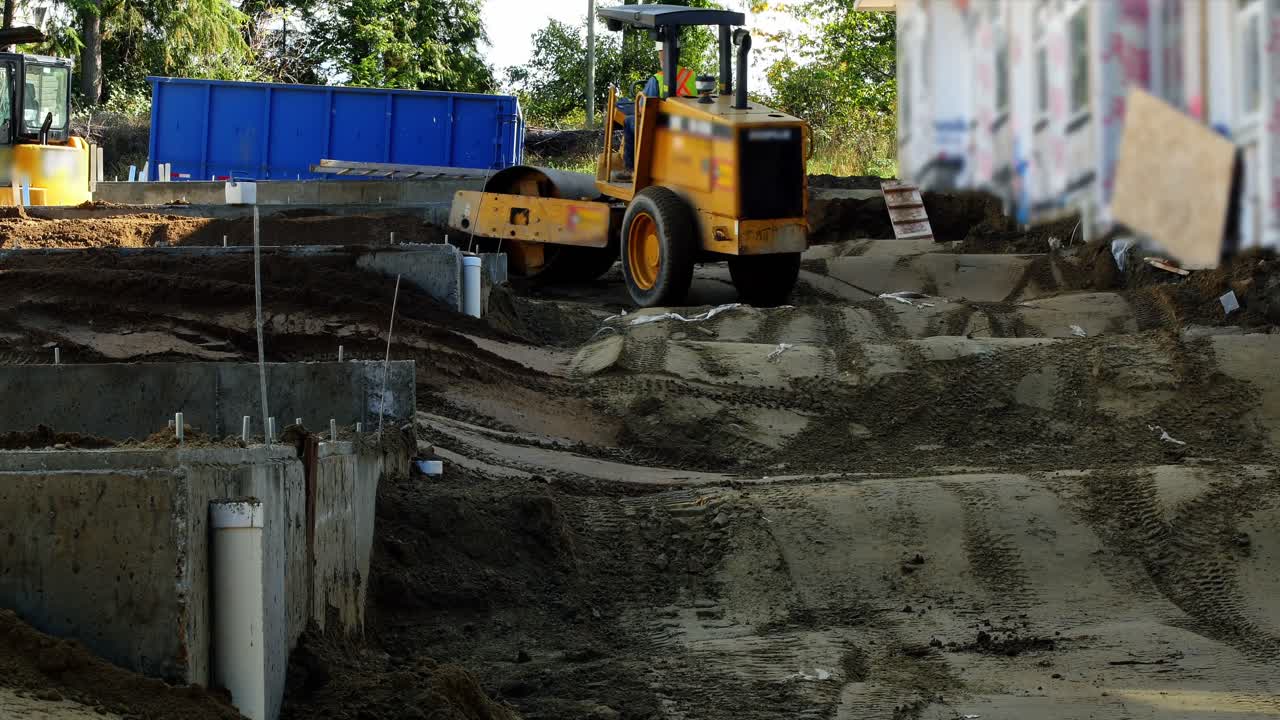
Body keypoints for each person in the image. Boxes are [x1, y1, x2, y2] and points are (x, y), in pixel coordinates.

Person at [618, 42, 697, 181]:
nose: (658, 56)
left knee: (629, 121)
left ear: (663, 54)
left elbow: (643, 109)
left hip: (662, 125)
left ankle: (630, 169)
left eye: (659, 53)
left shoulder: (657, 79)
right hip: (686, 123)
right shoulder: (691, 75)